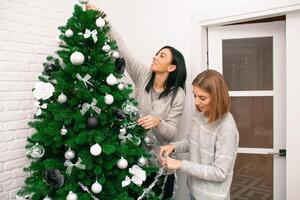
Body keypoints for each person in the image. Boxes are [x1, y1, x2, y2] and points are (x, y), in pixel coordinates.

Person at [87, 5, 187, 199]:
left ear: (172, 67)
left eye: (162, 56)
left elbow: (172, 131)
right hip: (134, 161)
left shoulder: (178, 94)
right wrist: (105, 19)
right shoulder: (143, 75)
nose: (155, 57)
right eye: (157, 53)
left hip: (161, 165)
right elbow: (123, 49)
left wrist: (159, 122)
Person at [159, 69, 239, 200]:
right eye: (195, 95)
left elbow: (220, 172)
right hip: (194, 190)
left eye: (202, 98)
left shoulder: (226, 127)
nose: (196, 102)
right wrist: (172, 147)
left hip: (212, 196)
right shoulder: (200, 113)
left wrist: (180, 164)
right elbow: (191, 142)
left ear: (217, 97)